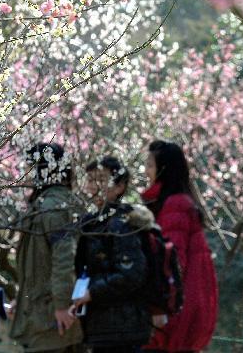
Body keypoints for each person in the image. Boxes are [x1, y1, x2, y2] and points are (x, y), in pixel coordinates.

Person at [140, 140, 217, 353]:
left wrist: (159, 308)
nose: (145, 171)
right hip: (182, 310)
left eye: (150, 165)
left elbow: (172, 262)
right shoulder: (178, 202)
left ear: (164, 170)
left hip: (173, 316)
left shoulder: (175, 205)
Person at [71, 156, 153, 353]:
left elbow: (131, 273)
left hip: (122, 327)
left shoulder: (122, 224)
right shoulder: (92, 222)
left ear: (120, 187)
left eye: (101, 180)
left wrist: (92, 292)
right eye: (90, 180)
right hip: (102, 326)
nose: (93, 187)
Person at [10, 142, 85, 352]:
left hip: (52, 316)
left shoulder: (54, 207)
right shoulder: (48, 204)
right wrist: (21, 299)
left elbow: (64, 258)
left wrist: (62, 305)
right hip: (42, 311)